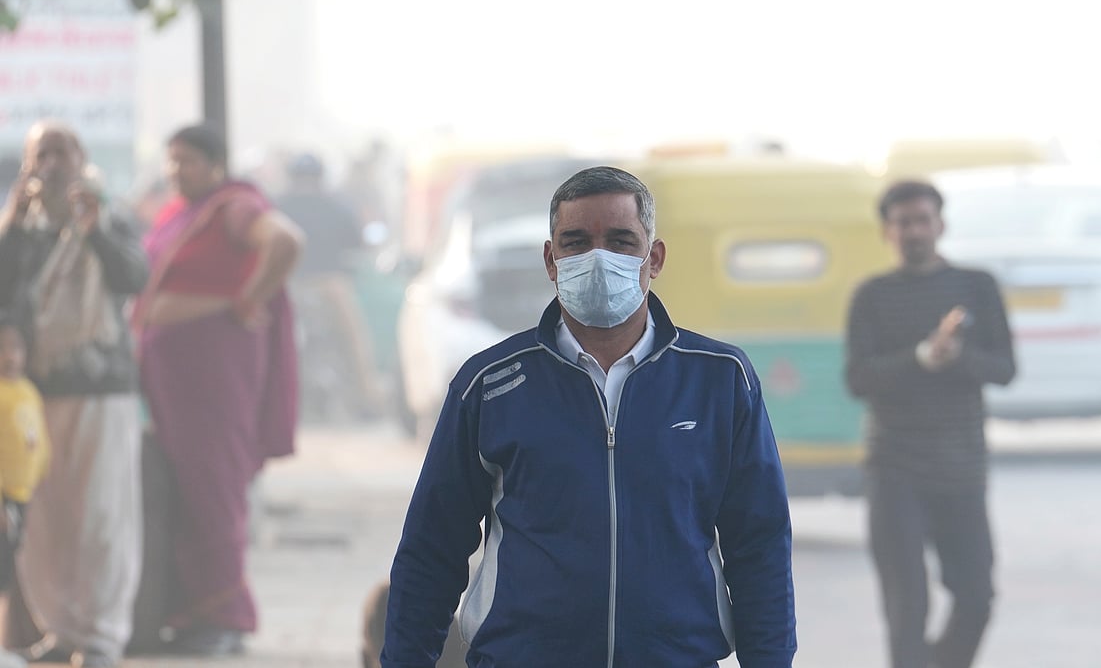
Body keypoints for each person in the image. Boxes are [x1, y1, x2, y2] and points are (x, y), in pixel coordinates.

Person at [382, 165, 797, 668]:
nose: (598, 258)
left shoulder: (720, 380)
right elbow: (432, 548)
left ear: (655, 257)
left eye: (621, 241)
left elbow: (760, 546)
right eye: (576, 242)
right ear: (551, 259)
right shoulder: (490, 385)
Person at [134, 124, 304, 657]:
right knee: (186, 495)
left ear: (215, 163)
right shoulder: (180, 212)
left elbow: (285, 241)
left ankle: (226, 618)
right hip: (176, 384)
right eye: (170, 161)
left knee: (214, 492)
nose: (174, 171)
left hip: (214, 379)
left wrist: (246, 298)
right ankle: (193, 613)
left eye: (185, 160)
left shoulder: (233, 205)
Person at [844, 179, 1017, 668]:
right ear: (887, 231)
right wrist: (921, 357)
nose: (915, 231)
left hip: (962, 469)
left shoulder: (976, 287)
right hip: (894, 469)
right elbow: (858, 378)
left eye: (923, 220)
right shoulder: (871, 296)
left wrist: (956, 356)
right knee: (907, 611)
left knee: (976, 596)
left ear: (940, 224)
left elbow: (1005, 369)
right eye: (903, 222)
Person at [0, 121, 148, 668]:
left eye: (63, 151)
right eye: (43, 154)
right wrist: (15, 216)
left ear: (82, 157)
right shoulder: (23, 225)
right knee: (45, 517)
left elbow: (135, 275)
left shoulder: (111, 214)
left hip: (99, 391)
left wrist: (93, 227)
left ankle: (102, 636)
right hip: (34, 396)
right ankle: (61, 630)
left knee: (101, 516)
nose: (54, 163)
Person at [275, 152, 384, 420]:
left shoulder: (279, 205)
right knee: (355, 336)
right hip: (326, 284)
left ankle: (367, 394)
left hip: (290, 284)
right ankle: (368, 394)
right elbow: (358, 241)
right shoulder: (336, 205)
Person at [0, 313, 50, 668]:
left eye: (16, 347)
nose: (10, 356)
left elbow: (37, 441)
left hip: (21, 496)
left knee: (7, 572)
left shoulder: (27, 391)